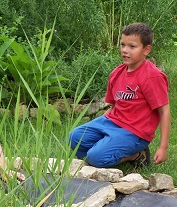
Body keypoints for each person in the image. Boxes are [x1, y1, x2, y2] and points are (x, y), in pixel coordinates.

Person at [69, 22, 170, 168]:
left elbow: (164, 111)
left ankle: (136, 155)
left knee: (95, 158)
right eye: (122, 45)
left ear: (146, 50)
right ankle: (108, 145)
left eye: (132, 46)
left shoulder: (152, 77)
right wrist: (98, 126)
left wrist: (163, 148)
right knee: (74, 138)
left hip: (135, 131)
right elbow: (114, 105)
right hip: (113, 122)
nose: (125, 50)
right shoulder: (116, 73)